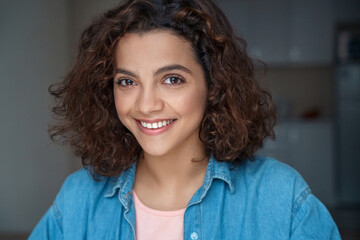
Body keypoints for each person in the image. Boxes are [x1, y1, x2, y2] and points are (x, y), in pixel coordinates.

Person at [29, 0, 341, 239]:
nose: (146, 105)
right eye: (127, 81)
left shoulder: (282, 197)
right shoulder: (79, 198)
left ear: (214, 86)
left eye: (172, 79)